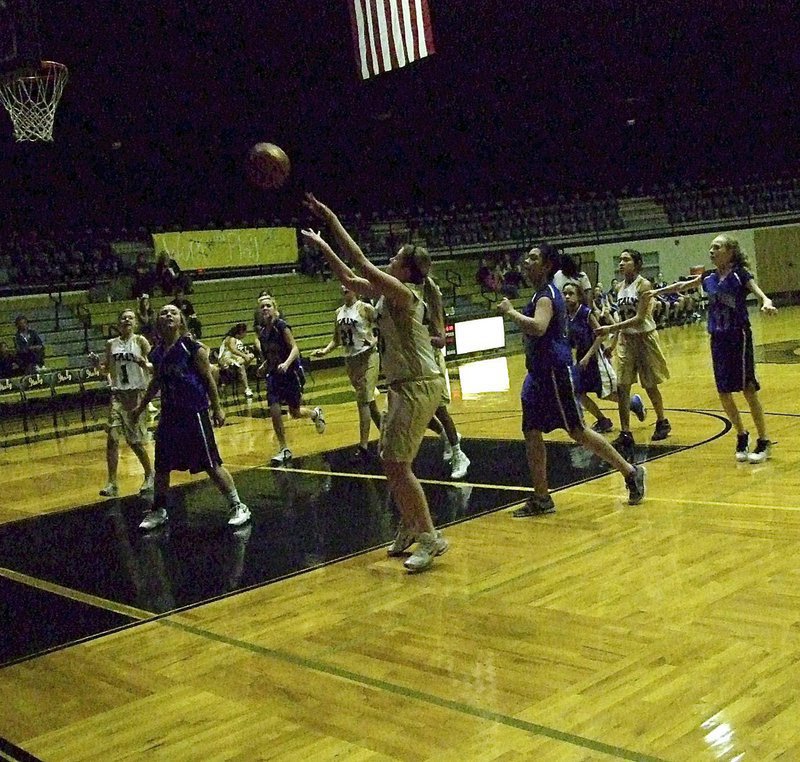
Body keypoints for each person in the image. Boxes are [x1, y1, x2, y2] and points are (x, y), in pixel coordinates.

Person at [302, 193, 449, 573]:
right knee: (391, 462)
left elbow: (362, 265)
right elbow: (350, 278)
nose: (391, 258)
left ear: (407, 269)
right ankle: (409, 525)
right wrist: (322, 247)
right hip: (404, 385)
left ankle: (430, 538)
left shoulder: (405, 293)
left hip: (417, 383)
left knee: (397, 465)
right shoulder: (387, 296)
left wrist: (333, 218)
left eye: (397, 257)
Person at [496, 243, 646, 517]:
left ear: (547, 265)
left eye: (534, 258)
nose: (527, 262)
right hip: (537, 374)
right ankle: (542, 497)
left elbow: (539, 327)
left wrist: (510, 312)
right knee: (531, 432)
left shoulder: (546, 297)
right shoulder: (541, 293)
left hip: (555, 372)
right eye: (527, 257)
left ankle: (631, 472)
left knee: (577, 431)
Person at [647, 234, 776, 463]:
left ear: (729, 251)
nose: (711, 251)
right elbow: (684, 285)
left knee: (748, 389)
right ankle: (741, 434)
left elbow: (759, 292)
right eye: (710, 247)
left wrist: (766, 302)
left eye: (716, 247)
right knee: (723, 391)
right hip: (717, 338)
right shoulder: (708, 277)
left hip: (738, 336)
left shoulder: (739, 274)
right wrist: (658, 292)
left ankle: (764, 440)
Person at [130, 304, 250, 530]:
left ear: (181, 320)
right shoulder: (156, 352)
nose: (168, 315)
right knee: (162, 465)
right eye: (163, 312)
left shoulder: (192, 348)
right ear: (158, 321)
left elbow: (208, 379)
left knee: (210, 463)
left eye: (173, 312)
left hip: (194, 412)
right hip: (169, 415)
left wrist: (217, 408)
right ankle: (159, 509)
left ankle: (238, 505)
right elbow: (156, 382)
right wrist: (140, 407)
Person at [595, 249, 672, 447]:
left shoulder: (644, 285)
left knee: (649, 384)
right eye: (620, 259)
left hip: (644, 338)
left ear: (636, 264)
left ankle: (662, 421)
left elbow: (638, 318)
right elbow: (622, 318)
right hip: (626, 340)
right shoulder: (619, 287)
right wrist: (612, 342)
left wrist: (611, 328)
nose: (621, 263)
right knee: (622, 386)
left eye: (626, 260)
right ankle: (626, 431)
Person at [563, 281, 646, 434]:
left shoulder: (586, 313)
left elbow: (602, 334)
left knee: (607, 393)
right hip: (581, 358)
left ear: (579, 296)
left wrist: (589, 355)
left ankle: (633, 402)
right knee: (578, 392)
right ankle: (602, 420)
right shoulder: (567, 316)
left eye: (570, 293)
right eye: (565, 294)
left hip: (595, 357)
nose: (567, 297)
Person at [312, 285, 382, 461]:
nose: (343, 287)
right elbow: (336, 339)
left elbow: (384, 325)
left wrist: (376, 340)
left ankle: (363, 447)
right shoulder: (338, 312)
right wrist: (325, 351)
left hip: (368, 357)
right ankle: (389, 438)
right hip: (350, 359)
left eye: (347, 285)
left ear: (355, 289)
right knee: (370, 404)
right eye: (341, 285)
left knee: (363, 401)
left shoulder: (365, 308)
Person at [90, 309, 155, 498]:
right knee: (111, 438)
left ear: (135, 323)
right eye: (123, 318)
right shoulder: (111, 344)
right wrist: (96, 365)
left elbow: (153, 366)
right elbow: (107, 371)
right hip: (118, 394)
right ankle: (112, 482)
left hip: (136, 394)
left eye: (130, 318)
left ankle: (149, 473)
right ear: (118, 323)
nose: (126, 320)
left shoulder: (141, 341)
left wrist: (143, 363)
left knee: (134, 441)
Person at [255, 295, 325, 465]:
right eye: (262, 306)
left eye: (268, 305)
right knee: (274, 409)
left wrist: (286, 364)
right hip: (274, 376)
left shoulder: (282, 326)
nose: (265, 308)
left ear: (274, 308)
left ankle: (315, 414)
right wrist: (264, 366)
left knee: (295, 412)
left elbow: (294, 348)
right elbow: (271, 355)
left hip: (290, 373)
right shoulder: (263, 333)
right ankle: (284, 448)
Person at [420, 268, 471, 479]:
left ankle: (459, 454)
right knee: (420, 414)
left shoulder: (429, 303)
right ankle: (447, 437)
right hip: (413, 363)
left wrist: (420, 338)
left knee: (439, 410)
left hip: (430, 360)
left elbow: (440, 340)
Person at [218, 322, 255, 398]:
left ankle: (236, 370)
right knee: (241, 365)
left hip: (233, 359)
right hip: (225, 359)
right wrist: (244, 355)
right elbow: (233, 350)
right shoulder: (231, 338)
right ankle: (246, 388)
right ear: (241, 332)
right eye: (246, 332)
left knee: (250, 356)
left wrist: (245, 353)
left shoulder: (238, 341)